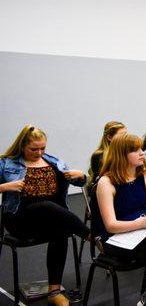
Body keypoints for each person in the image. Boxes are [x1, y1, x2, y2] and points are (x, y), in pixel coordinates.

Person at [0, 125, 90, 306]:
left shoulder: (53, 161)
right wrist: (4, 187)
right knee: (46, 206)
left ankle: (54, 291)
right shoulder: (6, 163)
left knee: (61, 230)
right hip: (19, 221)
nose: (39, 152)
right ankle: (91, 236)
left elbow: (81, 181)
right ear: (22, 146)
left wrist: (82, 176)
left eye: (43, 148)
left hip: (48, 219)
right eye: (34, 149)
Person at [95, 134, 146, 306]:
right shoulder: (106, 182)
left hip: (144, 230)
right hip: (117, 240)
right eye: (135, 150)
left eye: (141, 149)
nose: (142, 153)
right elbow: (111, 226)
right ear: (121, 155)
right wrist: (139, 224)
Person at [89, 121, 127, 185]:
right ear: (109, 137)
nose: (126, 138)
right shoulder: (98, 156)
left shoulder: (127, 152)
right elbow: (100, 180)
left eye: (126, 135)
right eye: (122, 135)